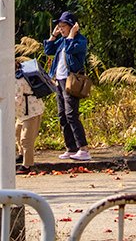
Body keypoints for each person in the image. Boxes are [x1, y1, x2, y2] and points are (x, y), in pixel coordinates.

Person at [44, 11, 91, 163]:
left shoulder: (80, 41)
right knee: (62, 115)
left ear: (72, 26)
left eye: (63, 26)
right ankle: (71, 148)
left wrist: (72, 34)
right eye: (60, 26)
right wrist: (54, 35)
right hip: (59, 80)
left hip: (71, 81)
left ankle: (83, 148)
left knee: (72, 114)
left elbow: (71, 49)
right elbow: (48, 50)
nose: (61, 29)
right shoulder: (62, 41)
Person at [15, 57, 51, 172]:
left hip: (31, 111)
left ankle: (27, 164)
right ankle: (21, 154)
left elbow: (17, 99)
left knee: (26, 139)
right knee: (17, 132)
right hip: (23, 112)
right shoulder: (17, 76)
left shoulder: (18, 80)